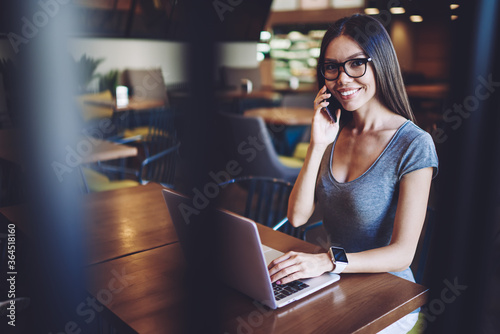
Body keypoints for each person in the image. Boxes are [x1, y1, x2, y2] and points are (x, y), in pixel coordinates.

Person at [267, 14, 438, 333]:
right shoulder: (333, 131)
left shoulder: (414, 144)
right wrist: (317, 144)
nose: (342, 79)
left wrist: (329, 261)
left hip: (389, 295)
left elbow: (402, 254)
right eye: (332, 67)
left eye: (356, 63)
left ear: (380, 64)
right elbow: (297, 217)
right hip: (334, 283)